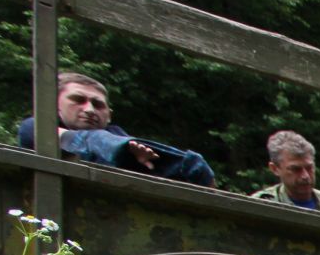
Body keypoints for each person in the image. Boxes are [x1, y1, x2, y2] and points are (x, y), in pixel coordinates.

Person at [17, 72, 215, 187]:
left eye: (98, 104)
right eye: (78, 100)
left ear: (109, 114)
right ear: (54, 105)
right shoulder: (33, 127)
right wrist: (121, 150)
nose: (90, 109)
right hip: (53, 213)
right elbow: (74, 141)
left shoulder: (116, 134)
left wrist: (130, 154)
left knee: (192, 165)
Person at [251, 130, 320, 216]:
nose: (305, 176)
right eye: (295, 169)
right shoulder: (259, 204)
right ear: (275, 169)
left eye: (309, 168)